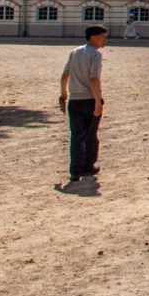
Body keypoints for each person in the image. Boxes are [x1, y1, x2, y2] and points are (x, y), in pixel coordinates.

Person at [59, 25, 107, 181]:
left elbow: (64, 75)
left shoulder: (74, 52)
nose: (104, 40)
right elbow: (94, 78)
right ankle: (88, 167)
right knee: (91, 135)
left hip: (74, 100)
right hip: (89, 100)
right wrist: (98, 101)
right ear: (93, 37)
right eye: (102, 37)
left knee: (76, 136)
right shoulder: (95, 55)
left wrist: (63, 94)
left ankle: (74, 170)